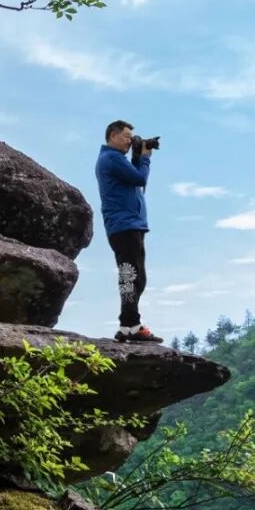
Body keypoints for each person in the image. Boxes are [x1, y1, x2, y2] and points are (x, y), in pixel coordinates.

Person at [95, 121, 162, 344]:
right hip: (124, 226)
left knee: (132, 276)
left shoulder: (115, 160)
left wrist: (138, 154)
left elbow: (133, 176)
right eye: (126, 136)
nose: (129, 140)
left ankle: (127, 325)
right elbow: (140, 178)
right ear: (112, 135)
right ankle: (131, 325)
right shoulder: (111, 158)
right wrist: (145, 157)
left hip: (128, 225)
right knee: (132, 277)